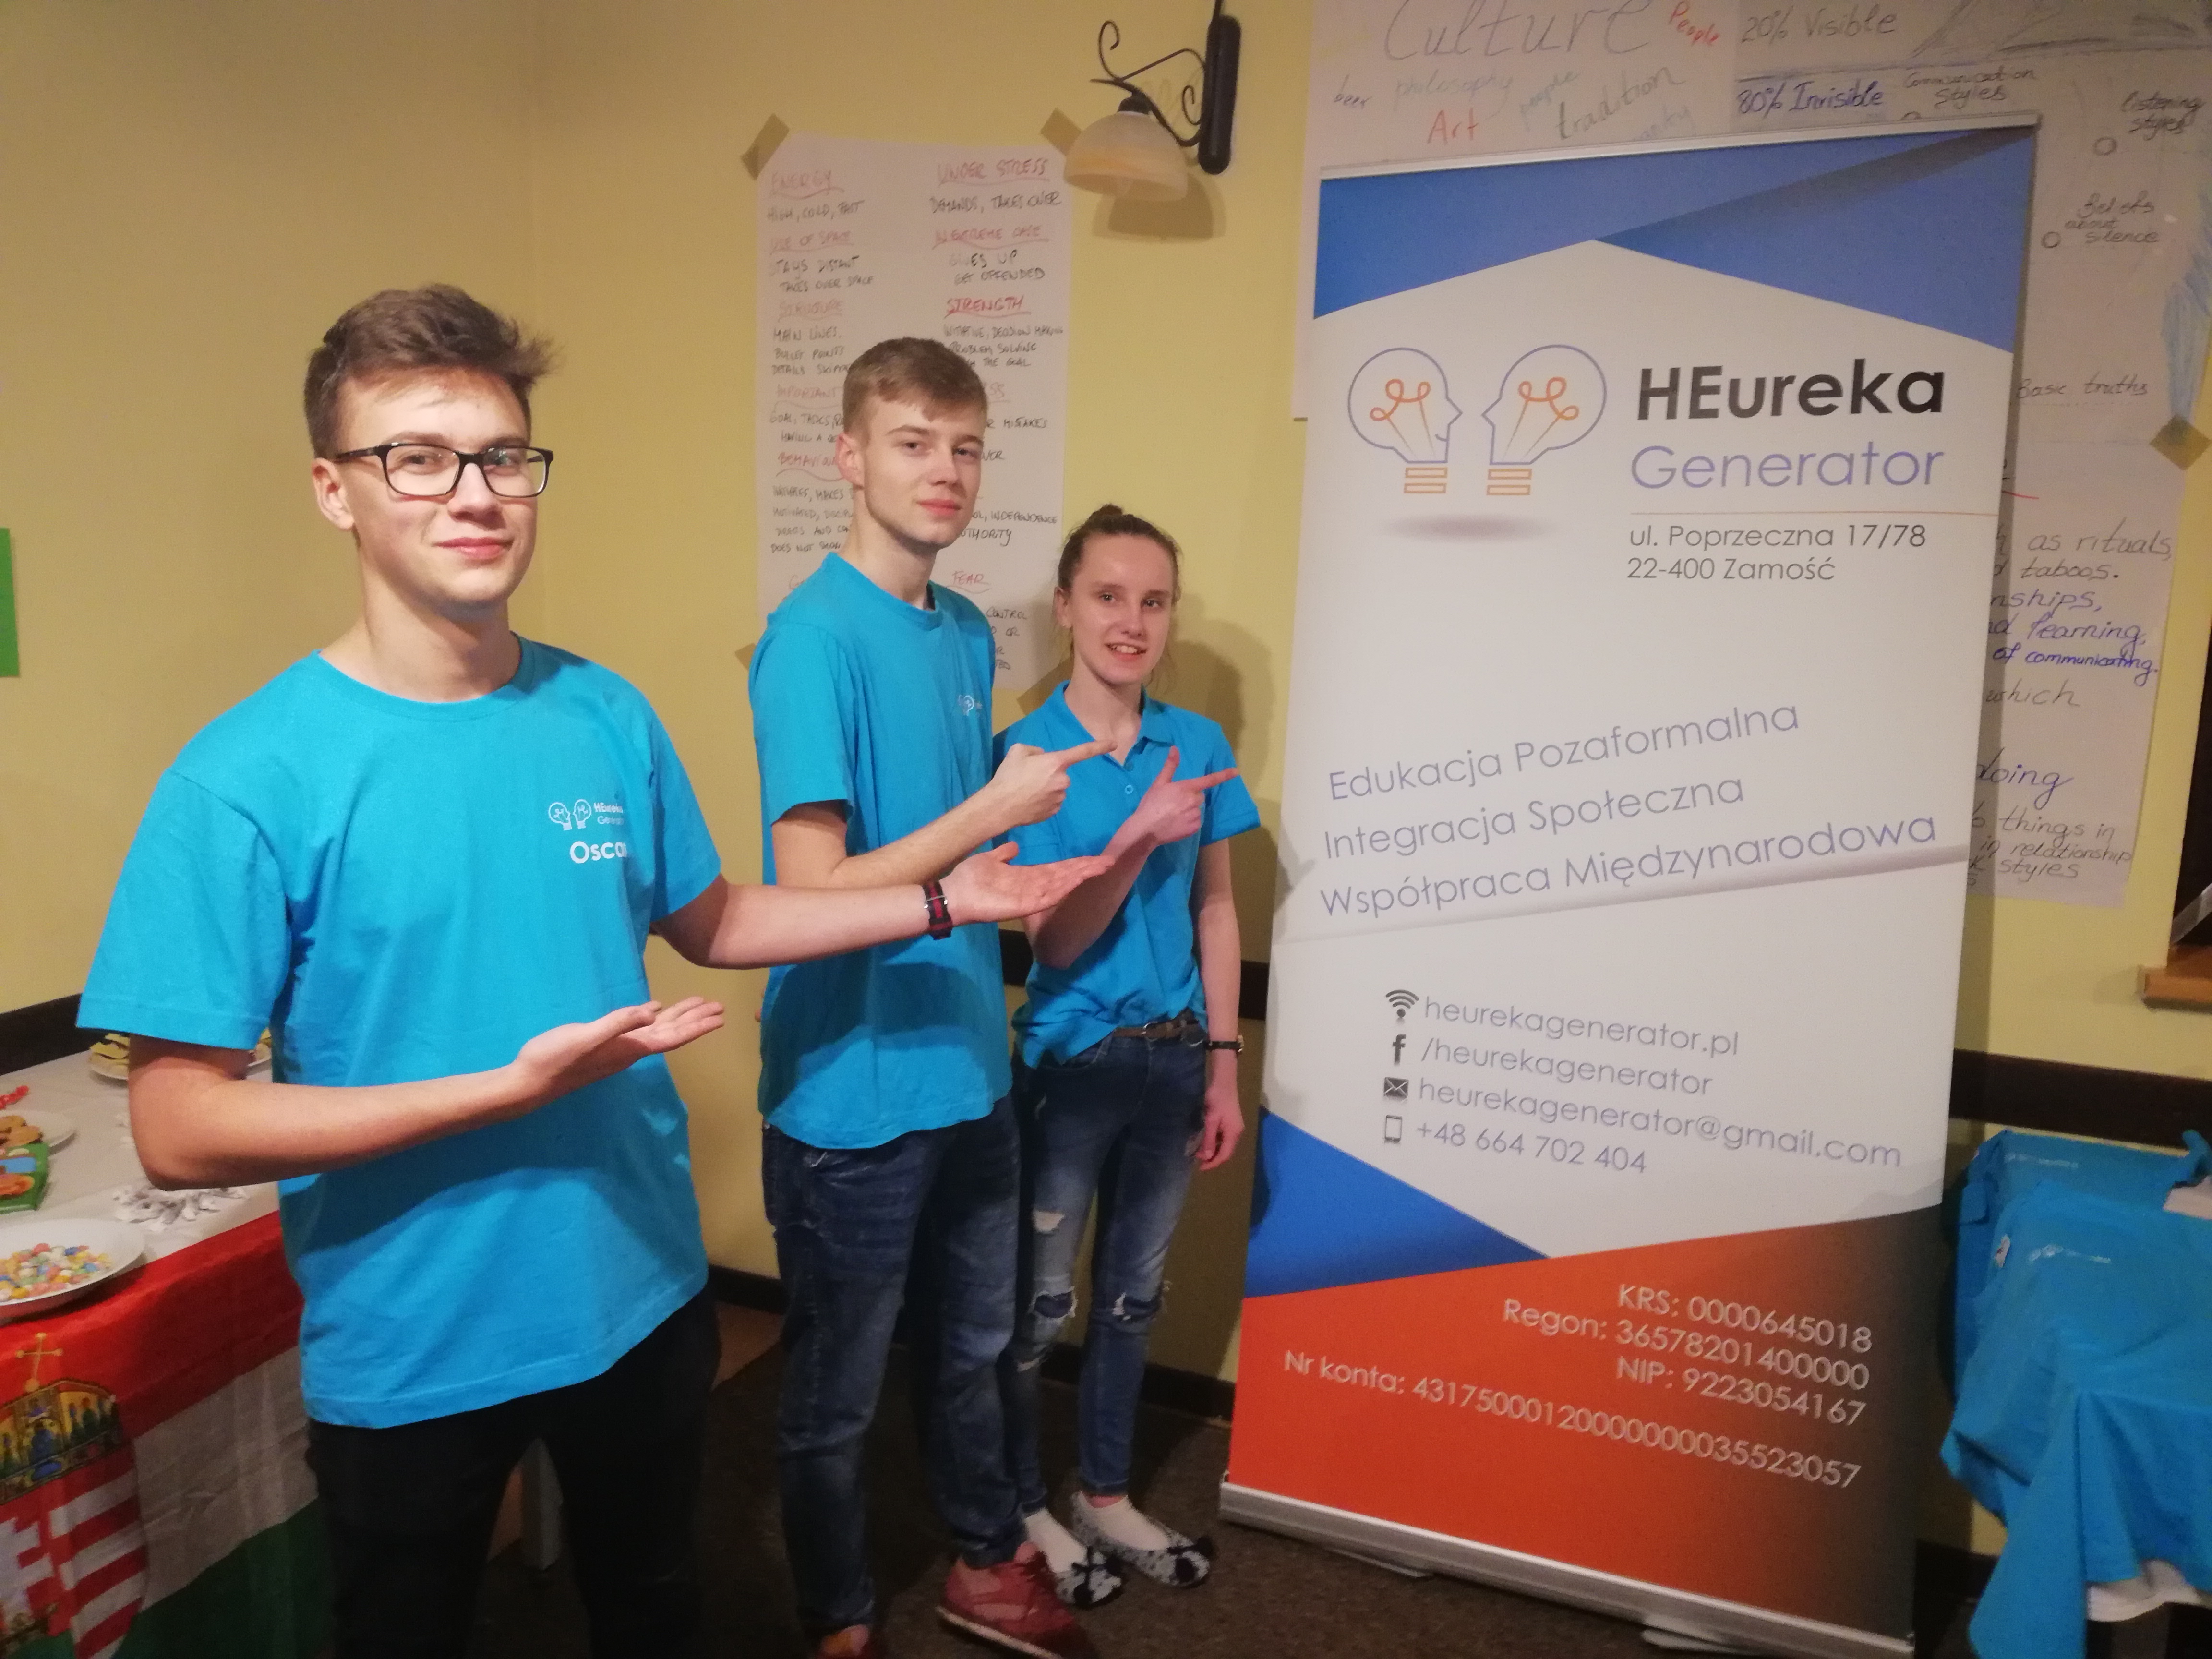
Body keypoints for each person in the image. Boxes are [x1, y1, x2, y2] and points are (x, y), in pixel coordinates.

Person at [75, 287, 1100, 1659]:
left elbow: (720, 922)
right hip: (416, 1337)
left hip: (641, 1293)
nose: (474, 493)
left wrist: (941, 899)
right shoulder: (245, 777)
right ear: (334, 490)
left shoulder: (605, 713)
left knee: (655, 1610)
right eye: (418, 458)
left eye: (503, 455)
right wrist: (497, 1091)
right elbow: (177, 1124)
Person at [748, 338, 1112, 1659]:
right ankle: (837, 1611)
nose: (945, 471)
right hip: (852, 1087)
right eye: (914, 443)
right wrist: (990, 810)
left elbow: (953, 868)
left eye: (966, 447)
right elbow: (811, 889)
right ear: (850, 457)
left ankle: (978, 1559)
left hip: (967, 1063)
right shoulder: (808, 641)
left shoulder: (961, 628)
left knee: (973, 1352)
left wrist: (1014, 862)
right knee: (835, 1399)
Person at [995, 505, 1259, 1608]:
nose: (1131, 621)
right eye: (1108, 596)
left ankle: (1104, 1492)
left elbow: (1217, 910)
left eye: (1154, 602)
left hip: (1173, 1063)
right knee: (1039, 1306)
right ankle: (1021, 1506)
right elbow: (1053, 941)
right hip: (1071, 1068)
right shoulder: (1025, 761)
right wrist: (1133, 836)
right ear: (1066, 607)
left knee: (1131, 1300)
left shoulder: (1197, 745)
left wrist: (1225, 1065)